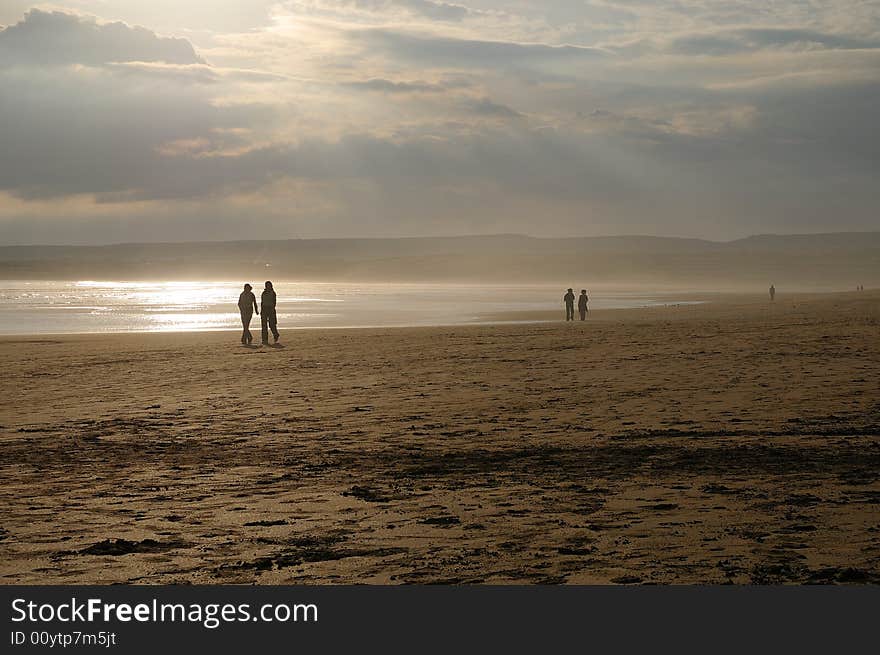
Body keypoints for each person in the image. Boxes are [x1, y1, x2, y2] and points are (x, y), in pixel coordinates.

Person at [261, 280, 280, 345]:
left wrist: (272, 309)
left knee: (272, 325)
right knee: (264, 325)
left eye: (268, 285)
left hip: (271, 309)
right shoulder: (263, 293)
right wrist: (261, 310)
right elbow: (262, 302)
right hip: (264, 309)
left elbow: (274, 302)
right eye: (266, 285)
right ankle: (264, 340)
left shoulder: (273, 293)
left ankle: (275, 334)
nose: (267, 286)